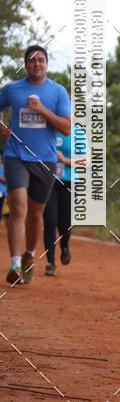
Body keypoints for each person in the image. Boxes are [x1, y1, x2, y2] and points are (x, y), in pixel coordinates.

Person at [0, 46, 71, 285]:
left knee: (35, 214)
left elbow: (66, 128)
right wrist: (2, 126)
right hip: (16, 155)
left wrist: (42, 110)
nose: (36, 64)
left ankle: (29, 255)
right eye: (32, 60)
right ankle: (14, 264)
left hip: (45, 159)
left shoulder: (58, 92)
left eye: (41, 60)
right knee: (18, 208)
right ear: (26, 65)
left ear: (47, 64)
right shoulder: (12, 89)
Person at [42, 131, 74, 276]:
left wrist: (64, 160)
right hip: (48, 181)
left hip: (68, 182)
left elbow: (86, 161)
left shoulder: (77, 134)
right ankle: (50, 262)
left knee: (65, 223)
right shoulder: (46, 132)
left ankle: (64, 246)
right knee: (50, 220)